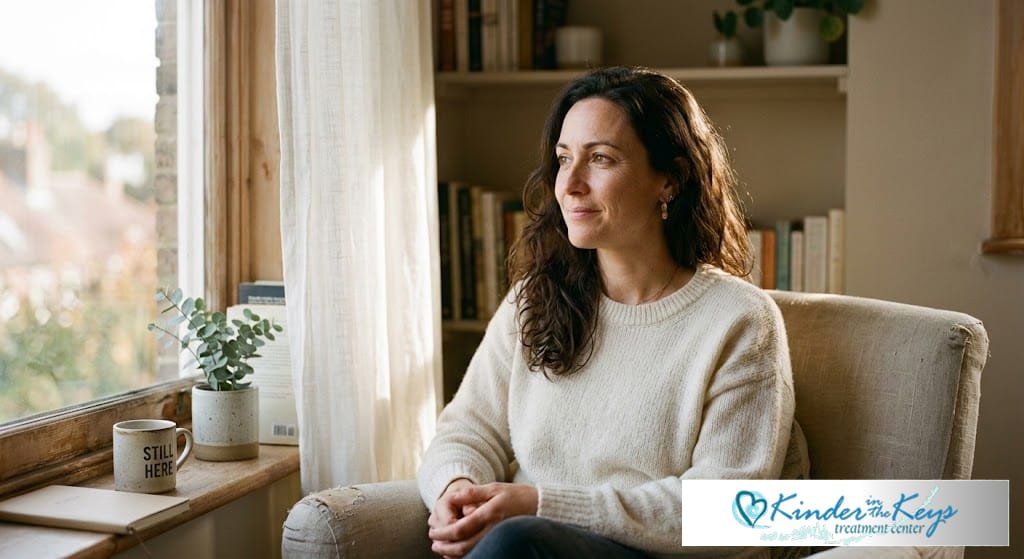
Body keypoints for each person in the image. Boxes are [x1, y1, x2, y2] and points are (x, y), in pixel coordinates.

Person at [417, 66, 808, 559]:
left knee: (518, 541)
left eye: (600, 158)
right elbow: (467, 431)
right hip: (521, 546)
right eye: (563, 160)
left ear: (670, 180)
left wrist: (541, 506)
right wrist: (457, 490)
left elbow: (727, 509)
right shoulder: (534, 299)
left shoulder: (739, 319)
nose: (571, 185)